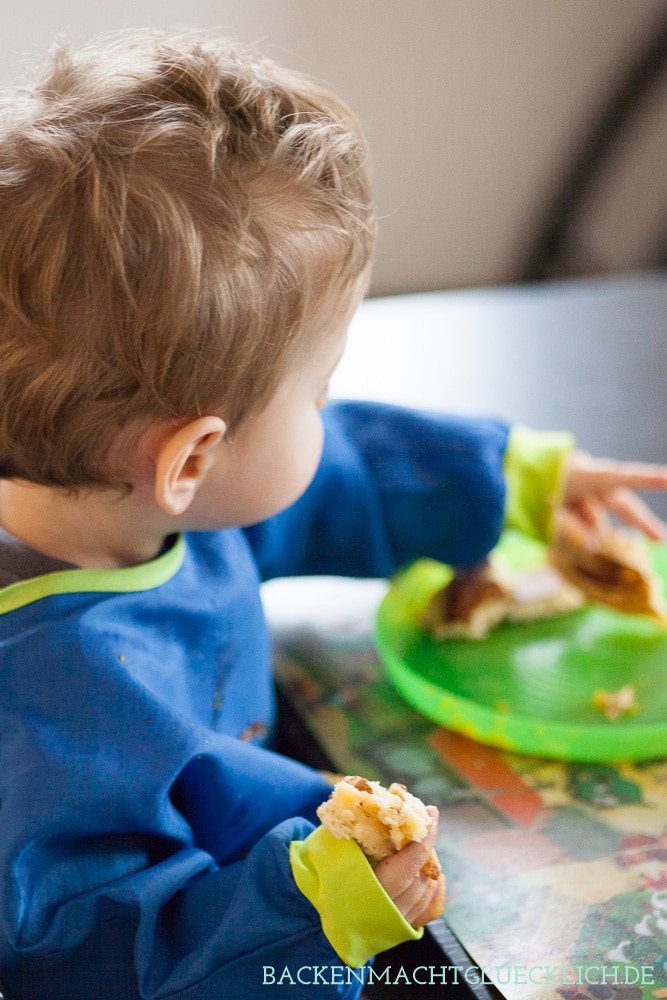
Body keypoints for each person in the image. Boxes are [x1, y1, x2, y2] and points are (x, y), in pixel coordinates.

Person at [0, 30, 665, 1000]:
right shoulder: (54, 710)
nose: (328, 413)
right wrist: (315, 908)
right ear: (189, 454)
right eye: (317, 390)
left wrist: (512, 483)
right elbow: (103, 959)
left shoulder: (124, 494)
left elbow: (334, 473)